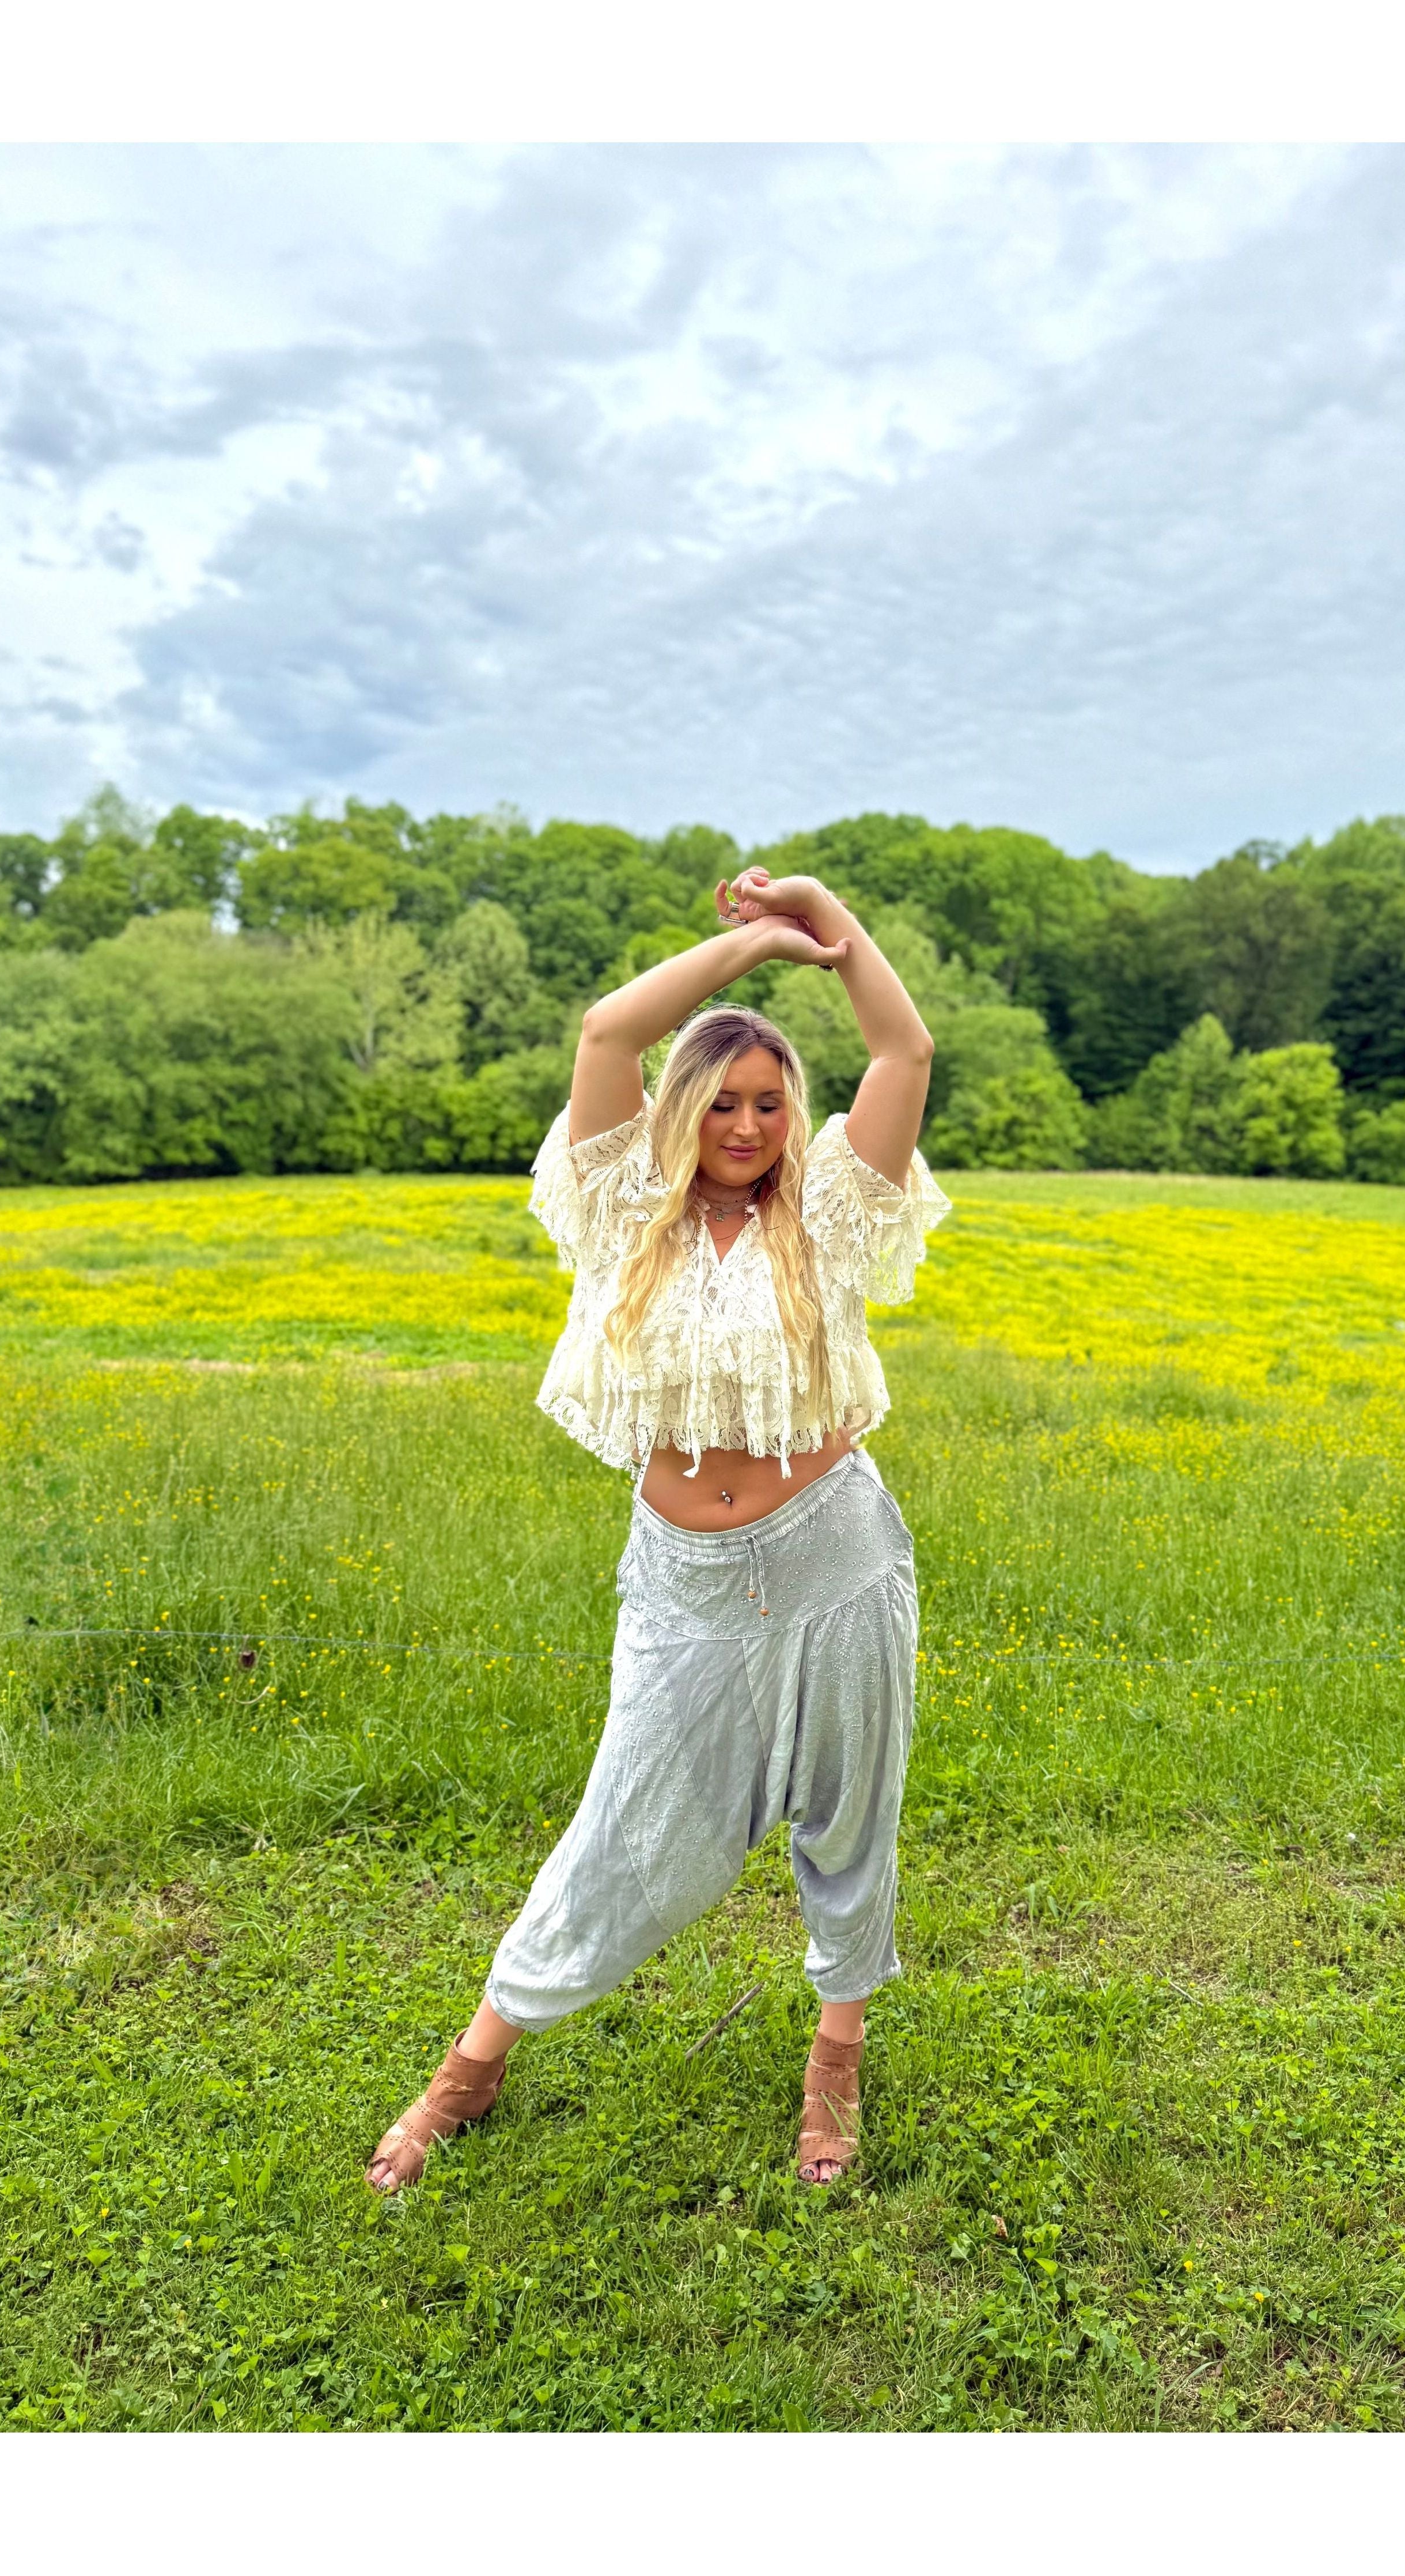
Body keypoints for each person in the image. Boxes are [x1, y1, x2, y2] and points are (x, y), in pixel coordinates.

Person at [365, 865, 949, 2194]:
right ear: (687, 1106)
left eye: (768, 1102)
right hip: (684, 1574)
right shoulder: (623, 1203)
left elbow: (903, 1046)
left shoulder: (835, 1209)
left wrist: (834, 930)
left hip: (835, 1556)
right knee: (623, 1819)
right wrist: (743, 954)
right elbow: (606, 1033)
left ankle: (835, 2063)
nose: (745, 1124)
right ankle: (473, 2065)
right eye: (724, 1099)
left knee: (850, 1820)